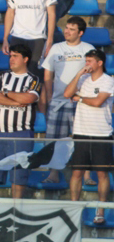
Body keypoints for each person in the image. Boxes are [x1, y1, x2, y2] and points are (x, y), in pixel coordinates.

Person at [0, 44, 41, 199]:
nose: (11, 59)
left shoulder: (33, 79)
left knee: (18, 179)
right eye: (10, 56)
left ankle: (16, 215)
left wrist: (5, 92)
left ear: (25, 59)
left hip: (21, 135)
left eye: (15, 56)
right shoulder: (2, 76)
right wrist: (15, 102)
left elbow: (28, 98)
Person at [41, 17, 93, 184]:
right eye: (66, 28)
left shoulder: (88, 49)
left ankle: (86, 175)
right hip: (58, 102)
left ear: (80, 33)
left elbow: (94, 74)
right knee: (55, 140)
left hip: (80, 102)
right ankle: (53, 173)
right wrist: (49, 95)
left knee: (83, 140)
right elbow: (48, 73)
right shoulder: (56, 48)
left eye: (71, 29)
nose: (67, 31)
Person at [65, 49, 114, 224]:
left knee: (102, 174)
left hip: (101, 133)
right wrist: (78, 74)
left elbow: (98, 102)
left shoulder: (108, 81)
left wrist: (79, 98)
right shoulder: (83, 79)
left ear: (99, 63)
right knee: (76, 172)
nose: (87, 64)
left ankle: (100, 210)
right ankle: (74, 208)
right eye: (86, 61)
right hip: (81, 132)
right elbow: (66, 93)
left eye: (90, 61)